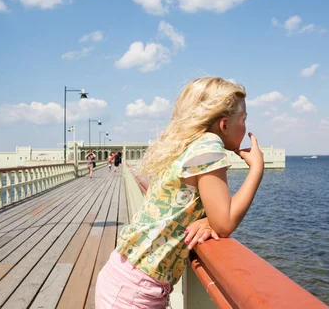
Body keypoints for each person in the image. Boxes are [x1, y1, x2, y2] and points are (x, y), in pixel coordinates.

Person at [95, 77, 264, 308]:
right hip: (135, 292)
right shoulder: (208, 146)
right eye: (243, 119)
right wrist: (256, 168)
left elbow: (195, 207)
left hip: (126, 277)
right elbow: (225, 223)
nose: (246, 128)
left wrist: (207, 220)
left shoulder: (187, 144)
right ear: (224, 124)